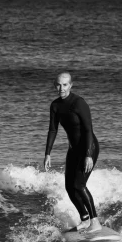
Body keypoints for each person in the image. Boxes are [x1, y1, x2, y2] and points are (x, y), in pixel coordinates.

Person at [44, 72, 102, 232]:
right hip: (73, 149)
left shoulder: (79, 103)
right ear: (54, 85)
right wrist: (48, 153)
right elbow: (53, 130)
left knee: (79, 184)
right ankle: (84, 219)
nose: (61, 88)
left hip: (88, 147)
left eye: (64, 85)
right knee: (70, 187)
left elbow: (88, 129)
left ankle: (95, 222)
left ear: (70, 85)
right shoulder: (55, 106)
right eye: (58, 84)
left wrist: (88, 155)